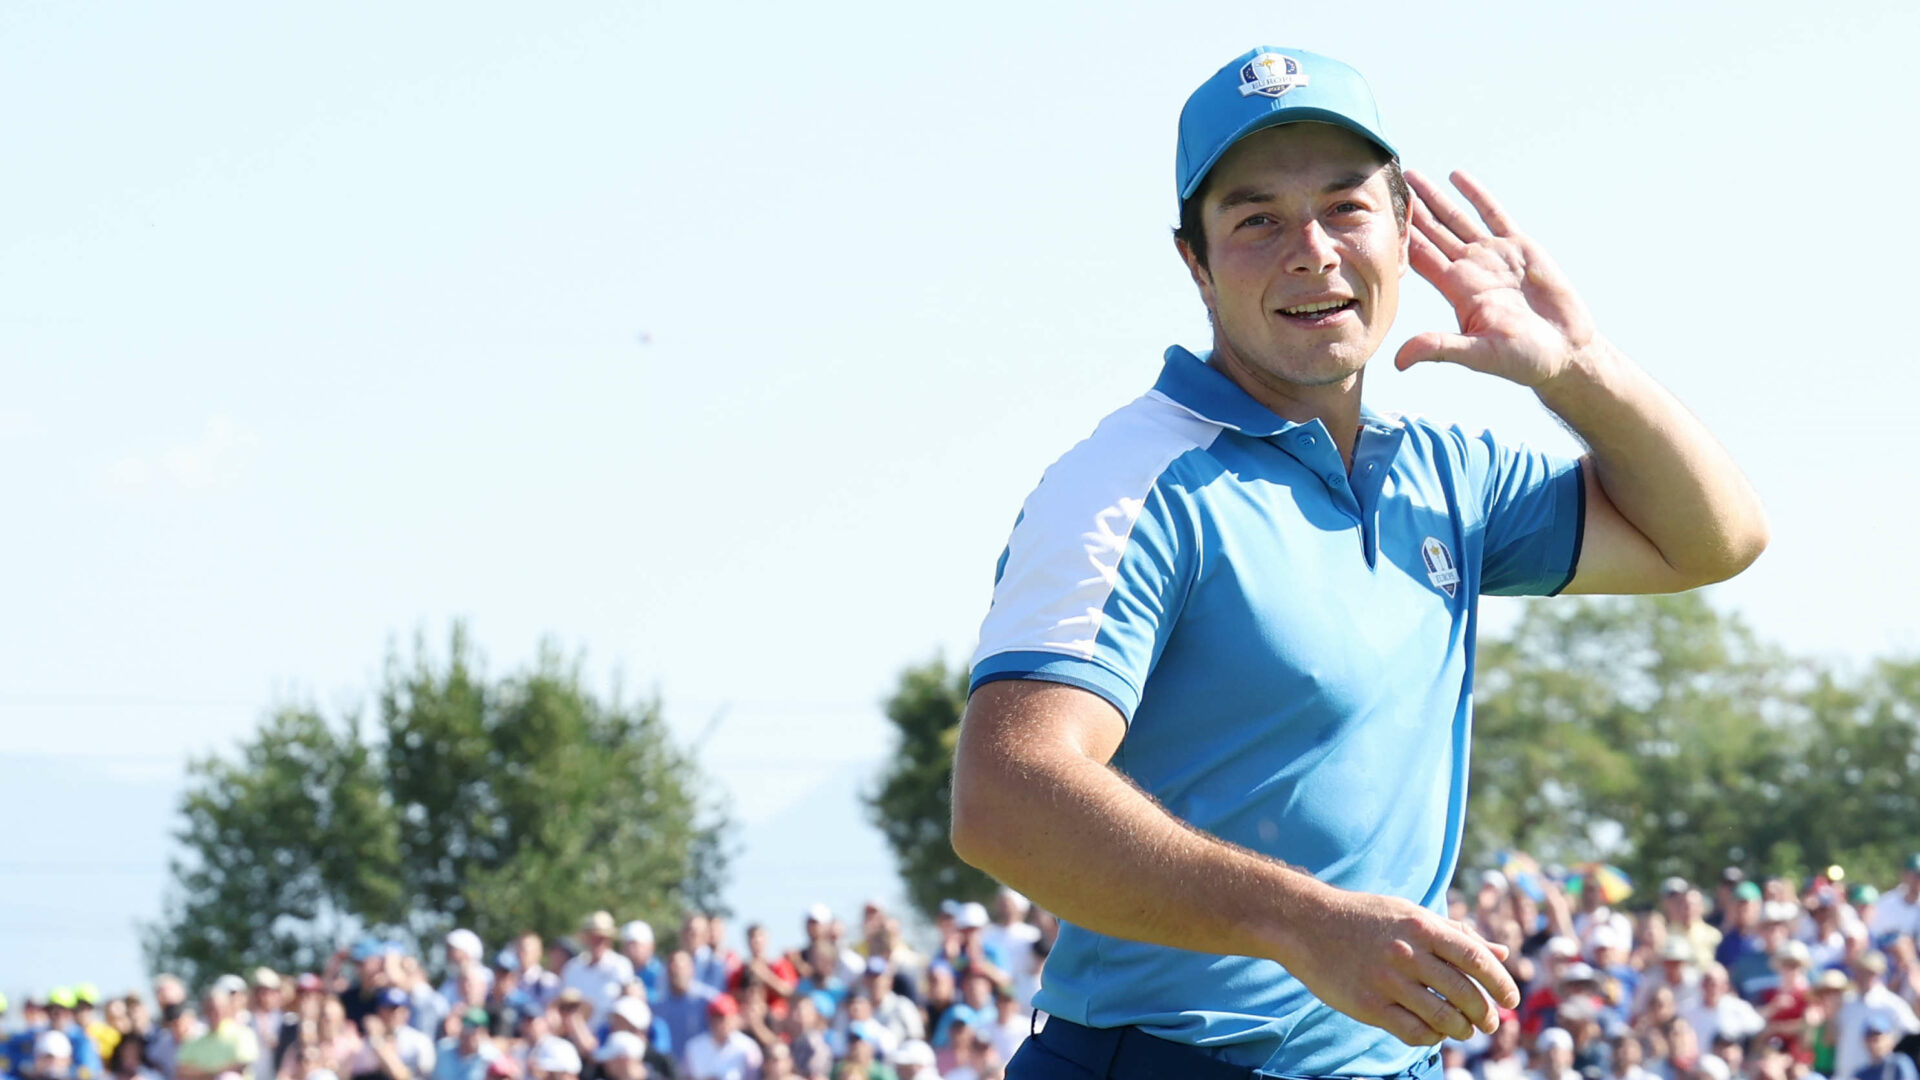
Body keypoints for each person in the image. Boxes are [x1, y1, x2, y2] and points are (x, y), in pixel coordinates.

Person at [949, 42, 1767, 1080]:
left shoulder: (1444, 475)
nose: (1313, 251)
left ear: (1403, 232)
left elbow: (1714, 539)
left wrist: (1577, 370)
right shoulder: (1126, 483)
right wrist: (1305, 926)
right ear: (1193, 261)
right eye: (1255, 221)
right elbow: (1006, 795)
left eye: (1346, 208)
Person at [561, 915, 636, 1030]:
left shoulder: (620, 965)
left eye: (603, 938)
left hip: (608, 1034)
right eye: (594, 937)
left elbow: (629, 1002)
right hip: (573, 1034)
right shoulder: (572, 967)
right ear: (586, 938)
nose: (598, 943)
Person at [678, 997, 759, 1080]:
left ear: (734, 1018)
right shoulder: (693, 1046)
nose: (719, 1023)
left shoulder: (748, 1047)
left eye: (723, 1018)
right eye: (715, 1018)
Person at [430, 1011, 497, 1080]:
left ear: (484, 1033)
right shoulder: (443, 1047)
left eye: (475, 1033)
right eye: (466, 1032)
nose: (469, 1038)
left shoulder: (490, 1057)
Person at [1853, 1015, 1918, 1080]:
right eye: (1870, 1039)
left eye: (1878, 1038)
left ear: (1890, 1039)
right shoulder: (1861, 1073)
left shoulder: (1899, 1064)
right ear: (1864, 1042)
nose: (1875, 1044)